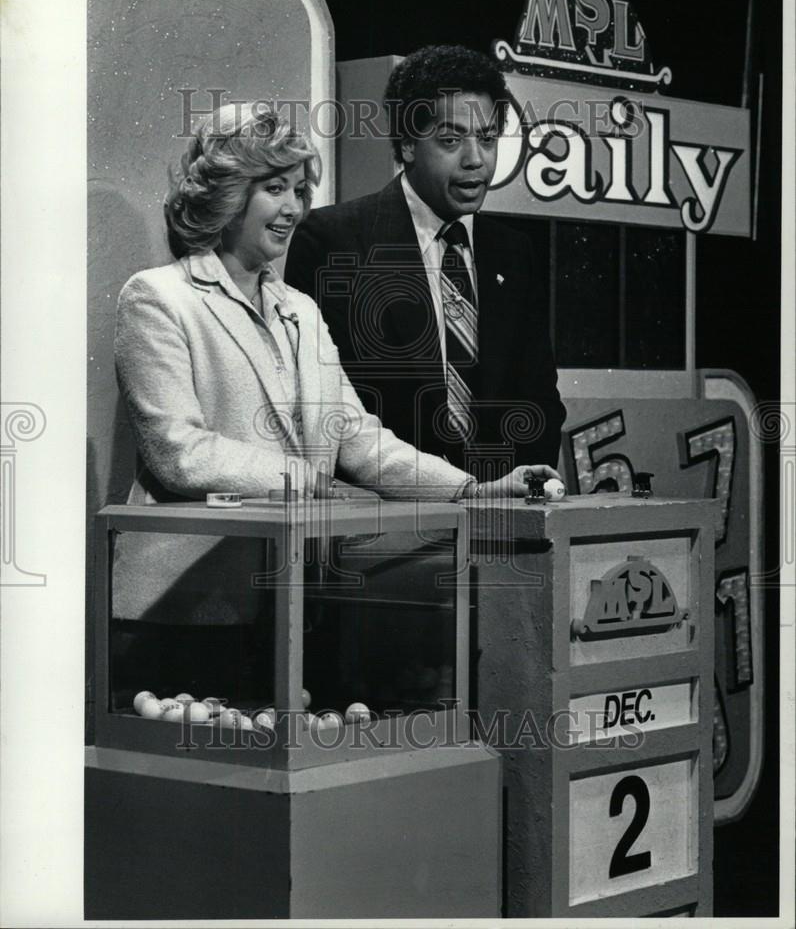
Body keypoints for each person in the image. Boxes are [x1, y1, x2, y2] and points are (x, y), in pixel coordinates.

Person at [113, 103, 561, 643]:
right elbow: (179, 452)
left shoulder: (298, 309)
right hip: (183, 606)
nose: (293, 209)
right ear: (228, 195)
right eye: (274, 188)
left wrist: (471, 491)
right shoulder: (157, 298)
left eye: (299, 190)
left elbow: (354, 435)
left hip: (289, 601)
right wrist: (312, 485)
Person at [285, 45, 566, 480]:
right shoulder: (332, 239)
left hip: (503, 517)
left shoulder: (515, 252)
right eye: (451, 140)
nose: (476, 159)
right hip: (384, 519)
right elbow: (327, 407)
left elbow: (540, 401)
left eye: (488, 139)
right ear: (408, 144)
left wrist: (512, 497)